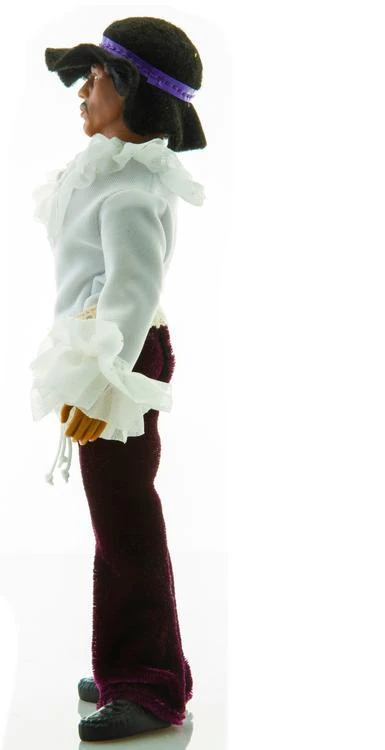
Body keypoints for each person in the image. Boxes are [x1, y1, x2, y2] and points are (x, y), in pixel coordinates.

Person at [29, 16, 206, 742]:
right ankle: (127, 665)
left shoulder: (132, 190)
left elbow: (131, 295)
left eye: (95, 77)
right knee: (117, 518)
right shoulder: (115, 172)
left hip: (121, 357)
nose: (82, 90)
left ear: (130, 91)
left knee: (127, 522)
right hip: (105, 350)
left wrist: (105, 384)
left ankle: (150, 685)